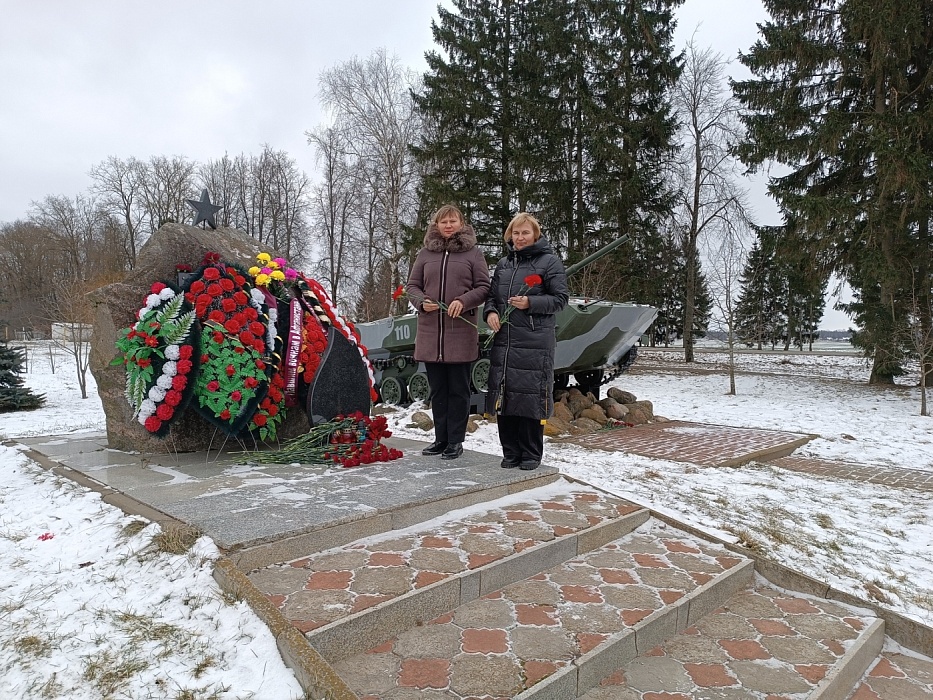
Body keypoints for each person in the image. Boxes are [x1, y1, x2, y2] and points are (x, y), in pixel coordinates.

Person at [484, 213, 568, 470]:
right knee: (505, 396)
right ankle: (510, 452)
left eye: (525, 233)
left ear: (535, 235)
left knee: (530, 397)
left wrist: (531, 302)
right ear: (510, 235)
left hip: (534, 341)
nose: (520, 238)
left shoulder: (549, 262)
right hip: (505, 340)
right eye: (516, 233)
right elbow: (491, 296)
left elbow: (560, 299)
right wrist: (490, 313)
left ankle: (531, 453)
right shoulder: (503, 264)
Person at [407, 205, 490, 460]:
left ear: (461, 224)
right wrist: (421, 302)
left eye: (453, 221)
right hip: (431, 335)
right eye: (443, 221)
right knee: (438, 391)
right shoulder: (424, 254)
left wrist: (464, 301)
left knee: (458, 390)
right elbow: (412, 286)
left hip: (460, 334)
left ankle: (455, 440)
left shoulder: (473, 254)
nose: (448, 225)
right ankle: (440, 439)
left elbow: (484, 286)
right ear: (436, 225)